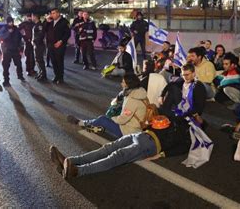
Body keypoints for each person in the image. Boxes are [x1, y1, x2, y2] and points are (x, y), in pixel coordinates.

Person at [50, 114, 192, 179]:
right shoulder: (176, 119)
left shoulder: (187, 134)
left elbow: (183, 148)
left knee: (116, 156)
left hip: (150, 144)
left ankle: (78, 171)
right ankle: (71, 161)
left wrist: (160, 155)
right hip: (141, 135)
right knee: (107, 149)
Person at [66, 74, 148, 138]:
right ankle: (95, 126)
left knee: (103, 119)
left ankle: (81, 122)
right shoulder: (141, 93)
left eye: (123, 82)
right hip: (137, 127)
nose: (121, 83)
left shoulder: (132, 100)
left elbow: (122, 120)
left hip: (129, 132)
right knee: (107, 117)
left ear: (128, 85)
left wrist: (111, 118)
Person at [46, 8, 70, 83]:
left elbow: (67, 34)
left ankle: (61, 77)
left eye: (53, 13)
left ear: (58, 13)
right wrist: (46, 21)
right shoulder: (50, 22)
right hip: (51, 45)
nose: (52, 15)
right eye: (51, 13)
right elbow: (44, 29)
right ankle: (56, 75)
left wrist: (61, 41)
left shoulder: (64, 22)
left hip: (60, 45)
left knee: (59, 61)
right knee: (53, 61)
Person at [0, 16, 25, 87]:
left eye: (12, 22)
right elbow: (0, 38)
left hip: (15, 50)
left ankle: (20, 75)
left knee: (19, 64)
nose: (11, 23)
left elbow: (20, 40)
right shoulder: (4, 29)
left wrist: (21, 49)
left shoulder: (16, 29)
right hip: (7, 50)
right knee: (6, 66)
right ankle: (6, 80)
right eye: (9, 22)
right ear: (7, 22)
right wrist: (8, 33)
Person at [31, 13, 47, 81]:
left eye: (32, 16)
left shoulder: (40, 25)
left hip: (39, 45)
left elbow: (40, 35)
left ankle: (43, 75)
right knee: (37, 60)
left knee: (40, 60)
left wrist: (34, 41)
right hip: (36, 45)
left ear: (35, 17)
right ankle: (41, 73)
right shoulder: (36, 25)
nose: (31, 18)